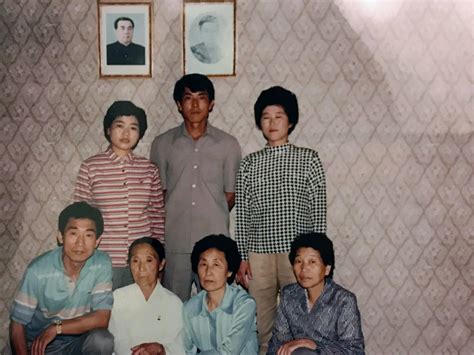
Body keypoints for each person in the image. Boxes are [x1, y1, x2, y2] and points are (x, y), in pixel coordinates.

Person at [235, 86, 327, 353]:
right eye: (266, 116)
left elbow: (318, 214)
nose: (272, 122)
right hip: (259, 256)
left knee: (300, 323)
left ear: (291, 121)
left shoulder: (308, 159)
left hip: (297, 256)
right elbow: (243, 215)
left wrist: (316, 257)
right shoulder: (249, 164)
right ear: (259, 122)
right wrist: (243, 256)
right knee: (262, 327)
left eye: (279, 116)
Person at [150, 74, 241, 301]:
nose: (195, 104)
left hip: (214, 245)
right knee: (172, 309)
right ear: (179, 105)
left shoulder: (228, 144)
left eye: (201, 98)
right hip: (175, 243)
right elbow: (158, 194)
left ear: (211, 104)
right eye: (188, 98)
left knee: (216, 307)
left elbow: (231, 195)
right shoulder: (162, 144)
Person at [75, 101, 165, 290]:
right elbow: (81, 219)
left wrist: (158, 259)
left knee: (140, 315)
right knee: (105, 316)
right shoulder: (91, 167)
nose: (126, 134)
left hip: (142, 262)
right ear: (108, 129)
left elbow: (157, 219)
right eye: (119, 126)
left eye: (133, 128)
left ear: (140, 134)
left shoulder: (149, 170)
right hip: (104, 260)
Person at [9, 202, 114, 355]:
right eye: (73, 233)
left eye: (88, 235)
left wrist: (57, 327)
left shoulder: (101, 263)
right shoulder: (38, 270)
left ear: (97, 241)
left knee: (102, 340)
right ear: (60, 236)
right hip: (41, 346)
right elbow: (17, 324)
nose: (80, 243)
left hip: (77, 342)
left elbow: (101, 318)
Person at [268, 232, 365, 354]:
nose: (304, 268)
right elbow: (277, 342)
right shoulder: (289, 295)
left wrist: (312, 345)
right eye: (298, 261)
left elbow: (355, 350)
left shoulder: (344, 300)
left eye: (312, 262)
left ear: (327, 269)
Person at [183, 234, 258, 354]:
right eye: (203, 264)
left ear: (229, 271)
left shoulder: (244, 304)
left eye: (216, 265)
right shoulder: (190, 308)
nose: (208, 272)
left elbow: (229, 352)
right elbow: (186, 350)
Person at [109, 237, 185, 355]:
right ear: (129, 264)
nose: (141, 268)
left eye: (149, 260)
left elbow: (178, 344)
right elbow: (118, 339)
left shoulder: (173, 302)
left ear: (161, 264)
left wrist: (161, 349)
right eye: (135, 261)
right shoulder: (119, 297)